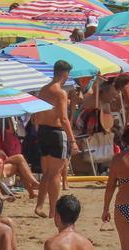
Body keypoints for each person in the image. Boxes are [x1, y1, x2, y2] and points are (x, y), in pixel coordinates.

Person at [33, 60, 78, 219]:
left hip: (43, 131)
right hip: (57, 132)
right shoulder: (60, 92)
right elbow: (64, 119)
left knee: (46, 173)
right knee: (55, 174)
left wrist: (39, 131)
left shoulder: (43, 90)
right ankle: (53, 210)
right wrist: (72, 140)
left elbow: (36, 116)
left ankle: (39, 206)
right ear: (65, 73)